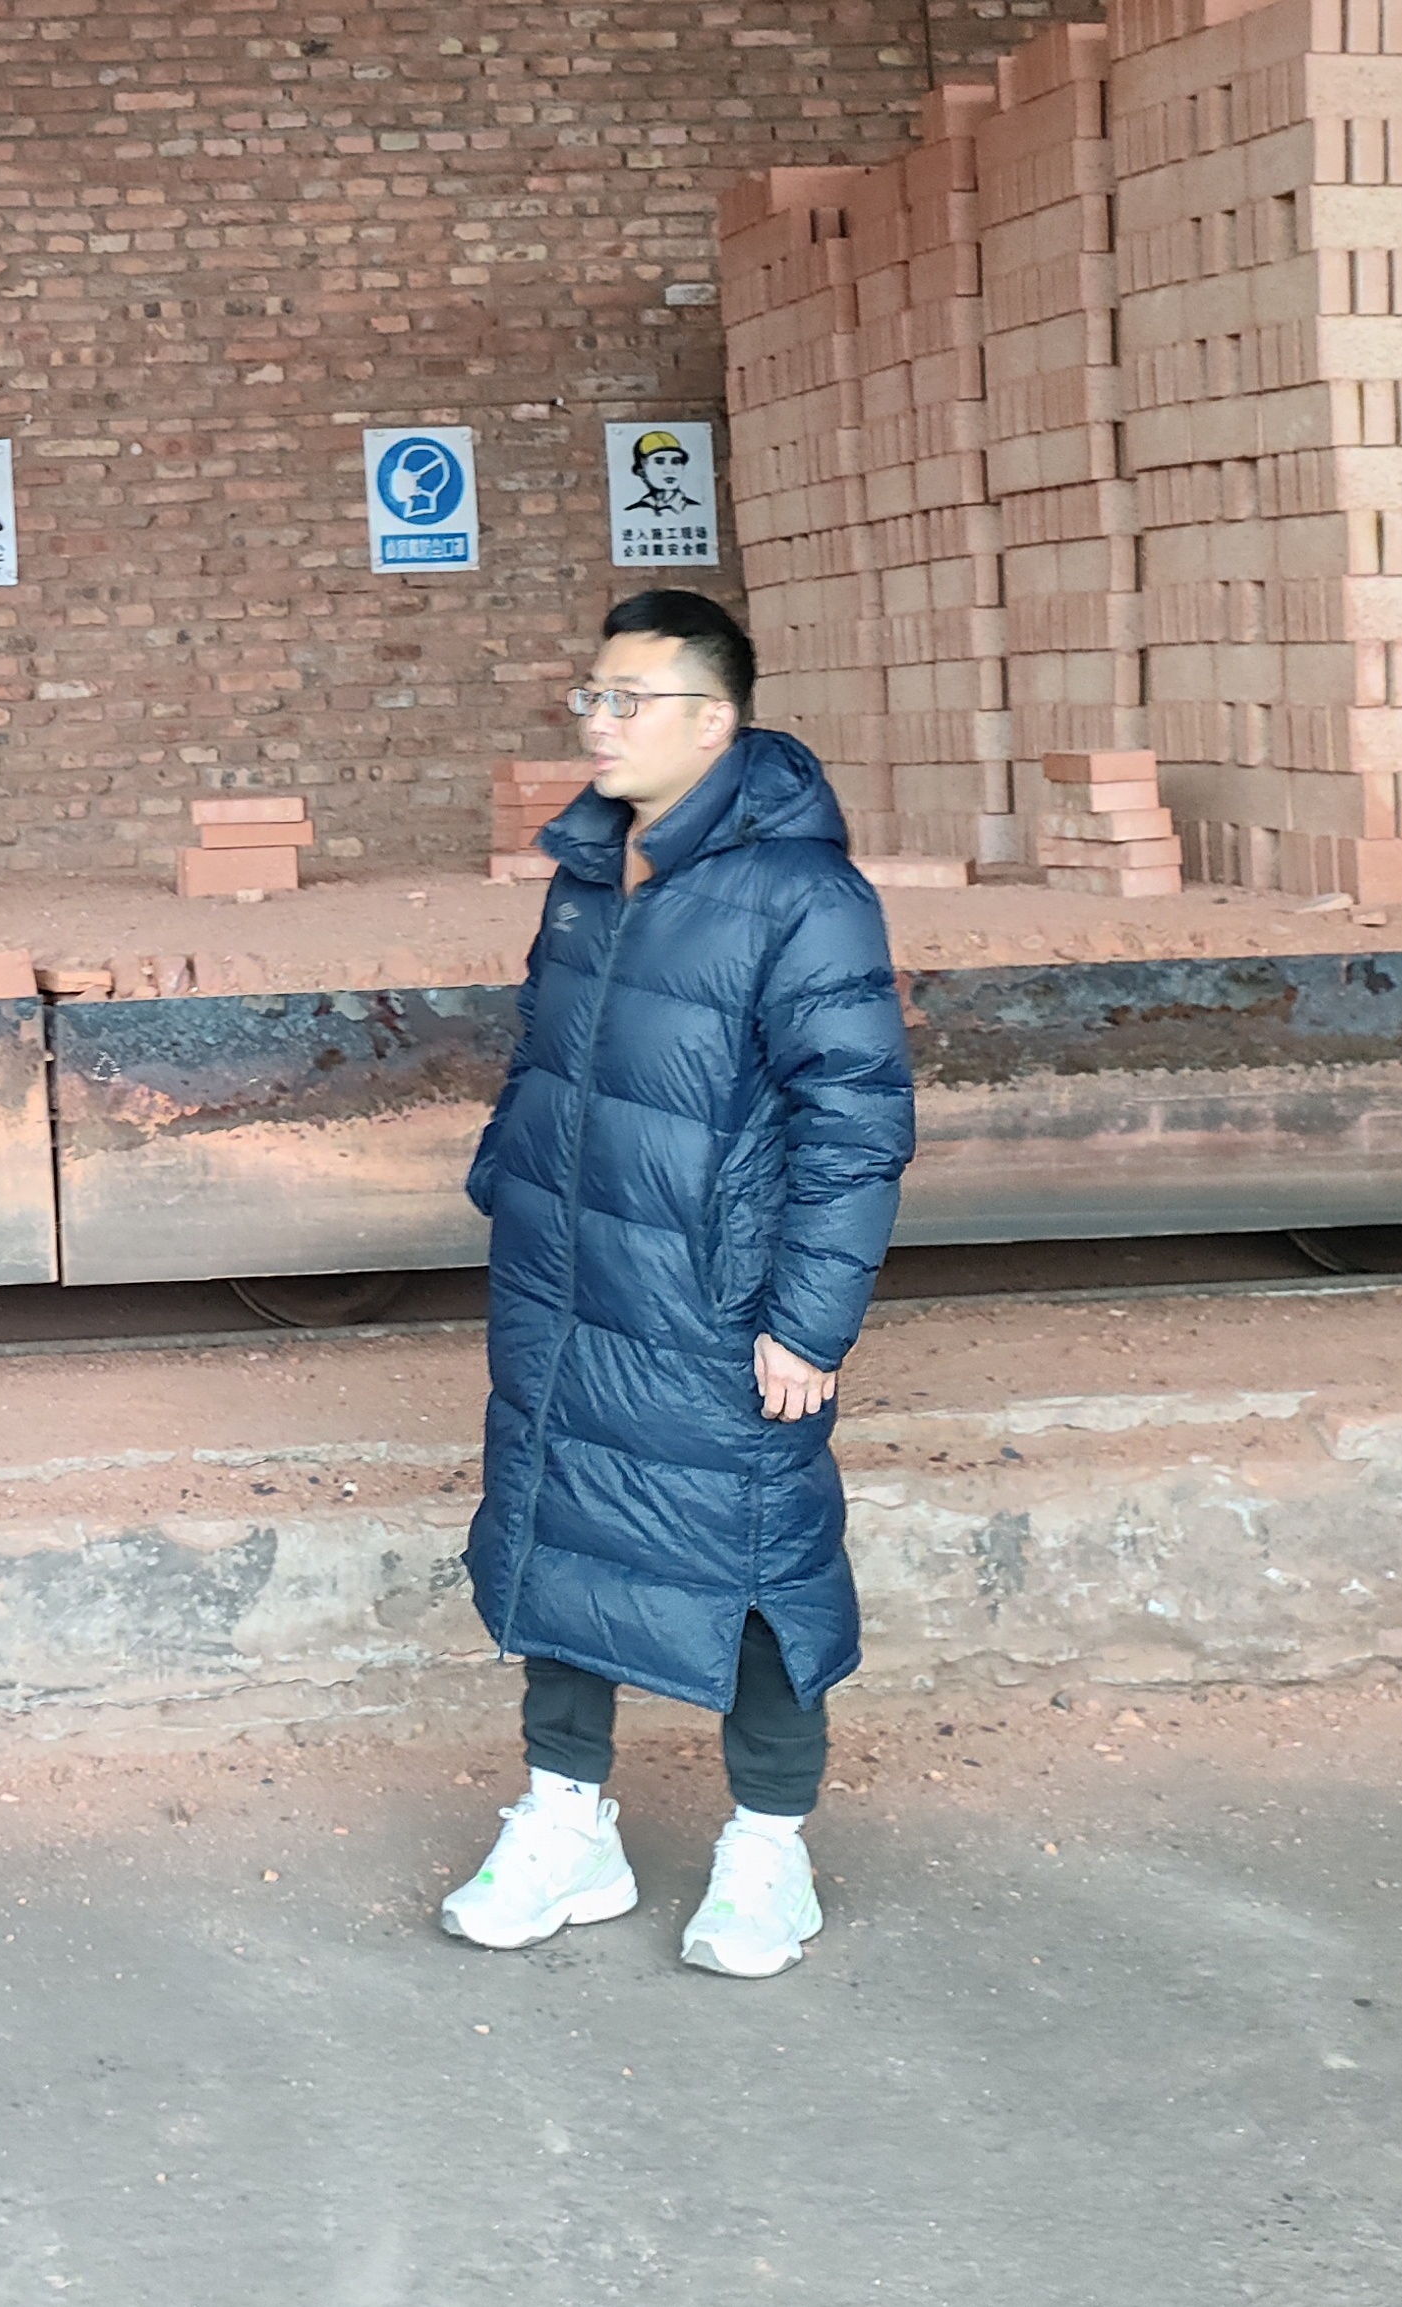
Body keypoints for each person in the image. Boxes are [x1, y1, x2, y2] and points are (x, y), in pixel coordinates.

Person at [441, 589, 914, 1979]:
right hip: (566, 1279)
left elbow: (856, 1121)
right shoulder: (591, 873)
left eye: (626, 699)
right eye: (589, 696)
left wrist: (806, 1320)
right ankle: (565, 1823)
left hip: (714, 1304)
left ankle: (770, 1849)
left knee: (757, 1558)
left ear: (714, 722)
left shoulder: (804, 896)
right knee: (561, 1533)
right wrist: (508, 1179)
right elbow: (542, 1049)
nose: (597, 722)